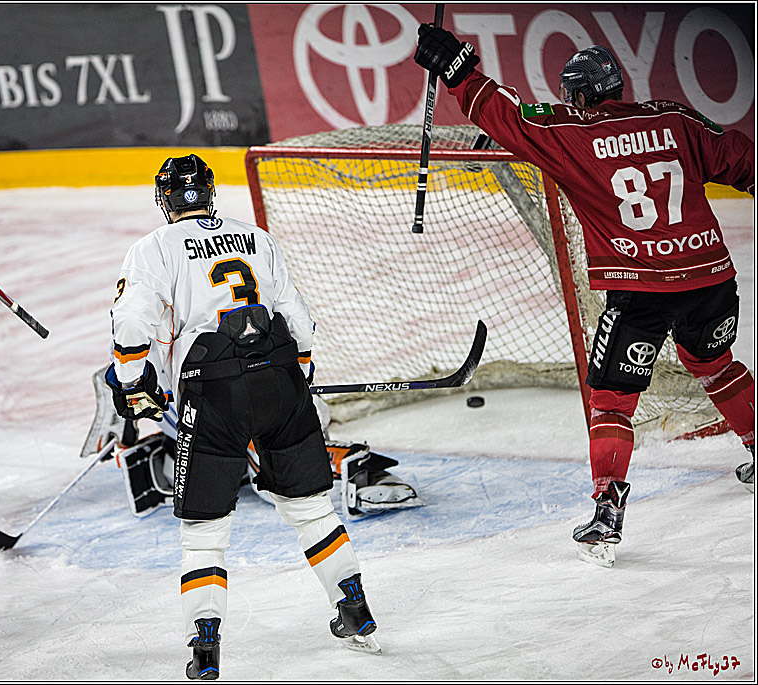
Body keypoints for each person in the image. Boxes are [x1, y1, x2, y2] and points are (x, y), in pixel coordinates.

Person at [413, 29, 755, 567]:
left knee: (611, 401)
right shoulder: (674, 117)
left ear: (576, 95)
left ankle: (608, 512)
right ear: (618, 85)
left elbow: (506, 113)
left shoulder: (570, 131)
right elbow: (741, 159)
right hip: (710, 277)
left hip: (640, 292)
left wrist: (458, 68)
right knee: (714, 363)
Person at [106, 154, 382, 679]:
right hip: (280, 378)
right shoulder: (256, 237)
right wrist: (295, 377)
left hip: (213, 394)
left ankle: (204, 645)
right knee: (310, 508)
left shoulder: (153, 248)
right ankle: (355, 605)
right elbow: (296, 319)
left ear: (165, 199)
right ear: (210, 194)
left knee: (205, 532)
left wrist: (131, 382)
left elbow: (131, 322)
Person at [83, 363, 425, 519]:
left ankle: (354, 467)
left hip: (258, 409)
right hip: (214, 425)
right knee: (267, 484)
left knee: (279, 470)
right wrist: (124, 428)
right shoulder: (163, 346)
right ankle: (346, 465)